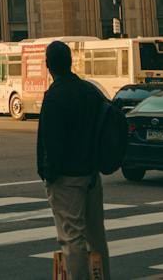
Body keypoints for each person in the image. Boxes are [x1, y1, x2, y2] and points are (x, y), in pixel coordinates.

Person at [37, 40, 109, 280]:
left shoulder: (54, 97)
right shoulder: (90, 91)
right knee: (96, 236)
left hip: (66, 178)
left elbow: (51, 142)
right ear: (70, 62)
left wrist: (50, 174)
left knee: (72, 238)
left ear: (48, 65)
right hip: (91, 175)